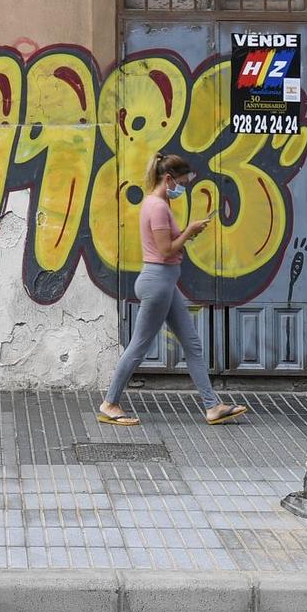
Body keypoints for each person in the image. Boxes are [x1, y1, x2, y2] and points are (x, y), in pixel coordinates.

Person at [97, 151, 249, 427]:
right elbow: (165, 250)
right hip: (158, 283)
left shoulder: (160, 204)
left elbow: (167, 246)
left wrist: (188, 232)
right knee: (138, 346)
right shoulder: (156, 206)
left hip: (164, 282)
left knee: (192, 343)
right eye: (181, 182)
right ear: (168, 179)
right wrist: (189, 232)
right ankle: (110, 402)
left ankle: (212, 406)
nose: (183, 187)